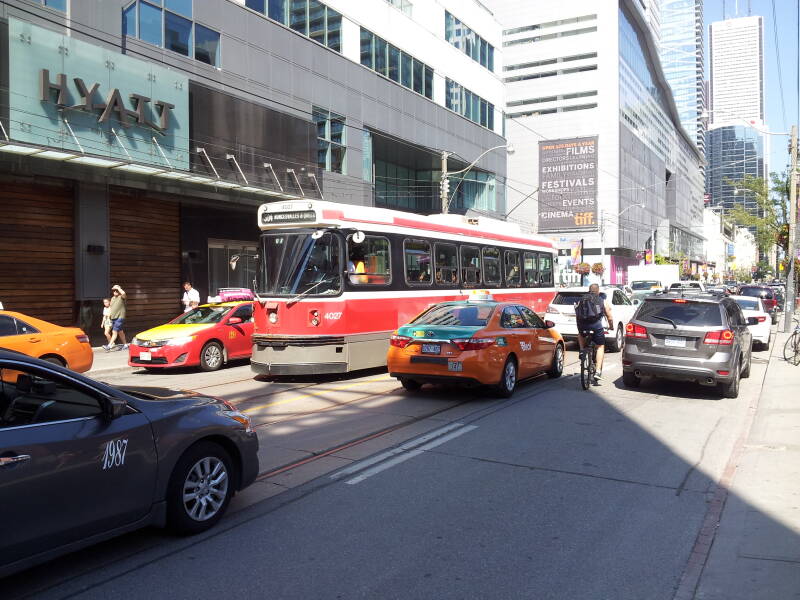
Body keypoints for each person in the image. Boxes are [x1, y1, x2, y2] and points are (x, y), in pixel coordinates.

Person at [575, 283, 613, 384]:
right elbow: (609, 316)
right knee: (600, 346)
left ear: (589, 290)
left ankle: (582, 350)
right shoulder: (601, 300)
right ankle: (598, 371)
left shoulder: (581, 300)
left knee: (580, 334)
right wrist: (611, 326)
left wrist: (579, 325)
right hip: (596, 325)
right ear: (598, 291)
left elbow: (577, 313)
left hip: (582, 325)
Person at [103, 284, 128, 351]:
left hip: (120, 317)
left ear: (119, 291)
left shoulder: (122, 297)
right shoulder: (112, 298)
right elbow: (110, 307)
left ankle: (109, 345)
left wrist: (118, 288)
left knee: (114, 331)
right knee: (120, 332)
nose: (115, 292)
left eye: (116, 291)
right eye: (114, 291)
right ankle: (125, 345)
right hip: (114, 318)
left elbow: (124, 293)